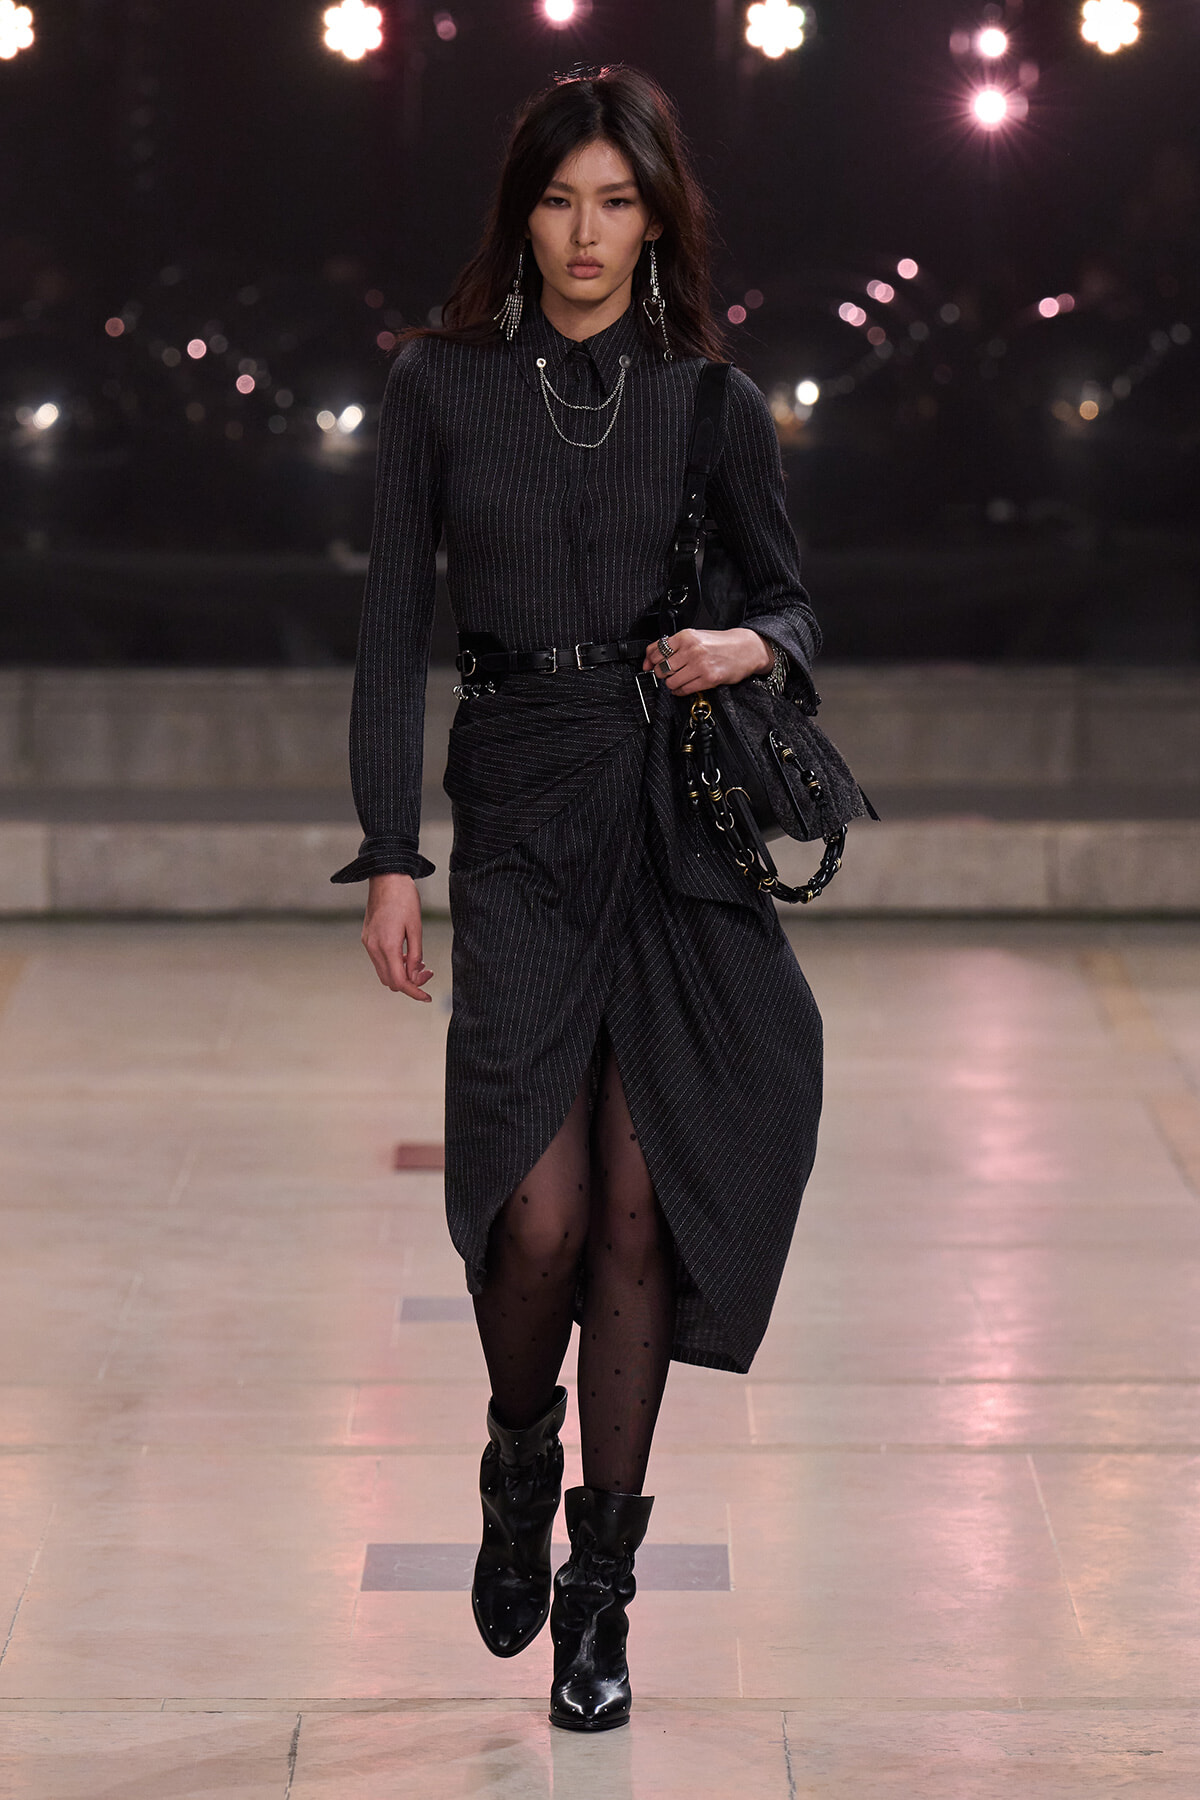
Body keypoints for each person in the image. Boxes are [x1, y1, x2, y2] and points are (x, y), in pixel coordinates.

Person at [331, 64, 823, 1733]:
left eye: (618, 201)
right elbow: (393, 625)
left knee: (633, 1210)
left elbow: (797, 611)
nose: (588, 234)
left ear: (659, 215)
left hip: (671, 830)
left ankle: (600, 1594)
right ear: (519, 214)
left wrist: (744, 643)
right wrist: (393, 854)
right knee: (532, 1215)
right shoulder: (439, 390)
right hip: (524, 817)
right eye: (560, 199)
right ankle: (517, 1451)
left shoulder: (710, 401)